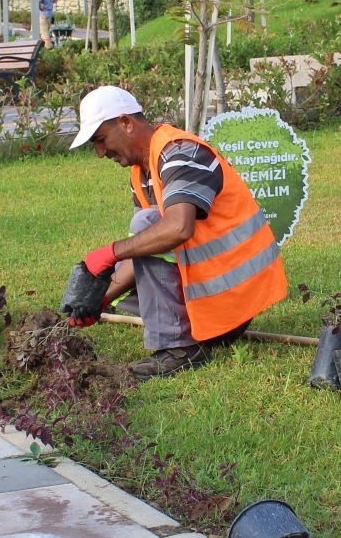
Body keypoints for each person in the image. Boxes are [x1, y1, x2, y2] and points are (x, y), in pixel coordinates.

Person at [67, 85, 287, 380]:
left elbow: (177, 228)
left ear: (126, 123)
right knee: (139, 255)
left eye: (101, 139)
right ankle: (185, 330)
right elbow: (145, 250)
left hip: (233, 297)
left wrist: (110, 252)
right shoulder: (142, 171)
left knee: (146, 225)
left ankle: (180, 350)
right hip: (211, 296)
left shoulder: (181, 152)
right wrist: (101, 300)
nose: (99, 152)